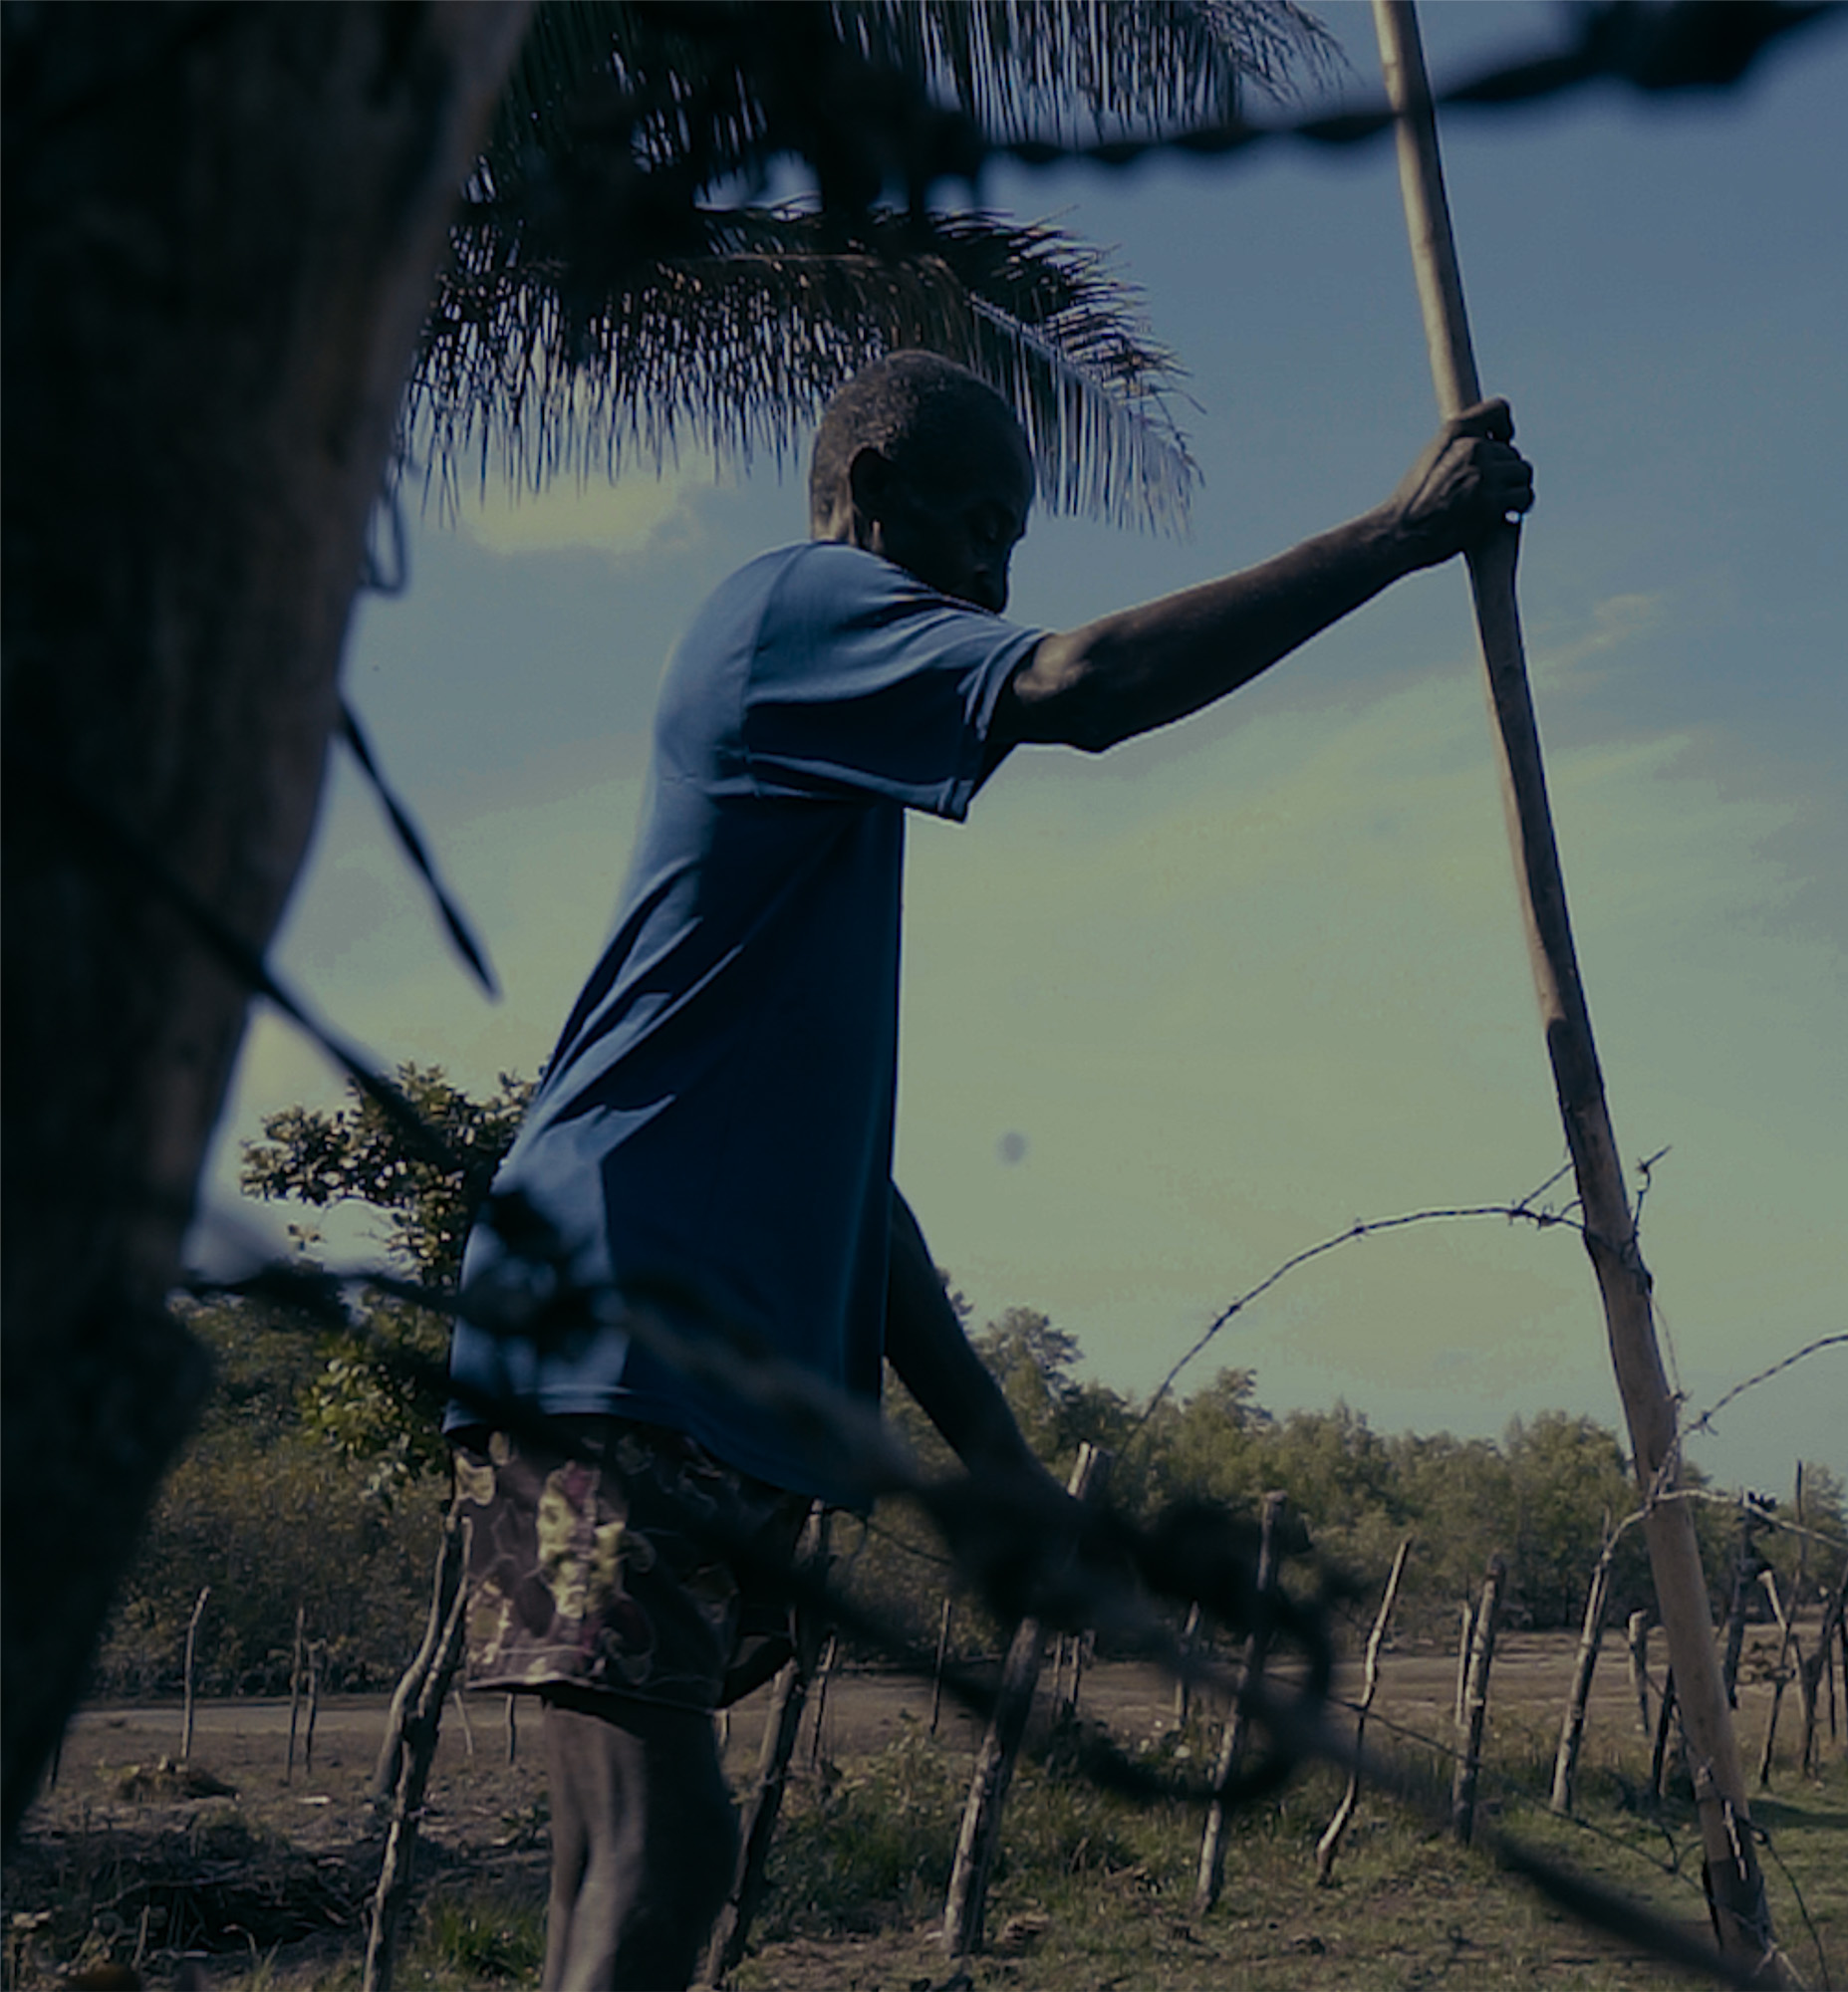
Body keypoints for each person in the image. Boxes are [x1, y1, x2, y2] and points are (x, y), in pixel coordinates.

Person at [446, 350, 1531, 1990]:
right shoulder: (792, 608)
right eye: (972, 523)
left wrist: (1002, 1462)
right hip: (613, 1342)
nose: (996, 576)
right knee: (660, 1852)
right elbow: (1084, 688)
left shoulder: (836, 800)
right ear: (869, 490)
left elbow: (850, 1203)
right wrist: (1399, 537)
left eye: (1015, 543)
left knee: (618, 1859)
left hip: (682, 1369)